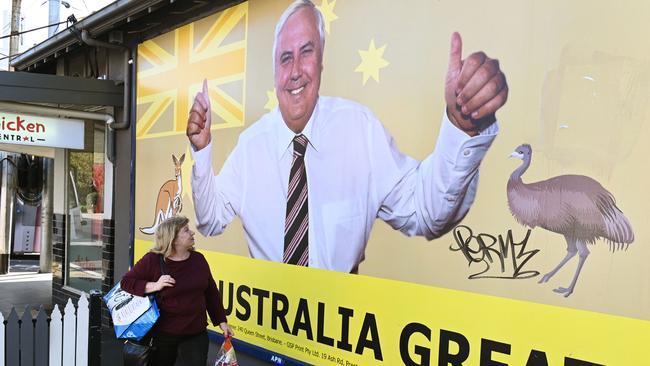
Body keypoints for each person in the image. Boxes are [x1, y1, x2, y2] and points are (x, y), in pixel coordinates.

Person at [187, 0, 508, 273]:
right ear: (274, 71)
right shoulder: (251, 146)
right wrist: (201, 152)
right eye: (286, 58)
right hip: (268, 332)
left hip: (333, 339)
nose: (296, 69)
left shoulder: (360, 129)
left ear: (322, 62)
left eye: (306, 52)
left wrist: (460, 125)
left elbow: (428, 214)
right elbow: (211, 220)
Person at [121, 215, 234, 366]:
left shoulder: (198, 259)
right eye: (186, 230)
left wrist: (221, 321)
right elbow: (126, 282)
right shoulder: (153, 260)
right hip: (162, 336)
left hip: (196, 334)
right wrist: (155, 285)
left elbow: (211, 293)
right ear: (173, 239)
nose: (192, 233)